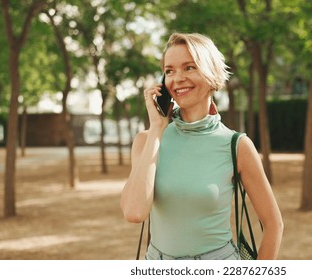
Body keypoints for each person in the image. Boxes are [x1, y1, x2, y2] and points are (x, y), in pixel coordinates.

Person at [120, 32, 283, 260]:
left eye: (189, 67)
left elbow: (274, 224)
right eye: (169, 71)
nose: (177, 78)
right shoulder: (147, 140)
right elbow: (134, 212)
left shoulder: (237, 145)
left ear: (211, 73)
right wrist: (157, 128)